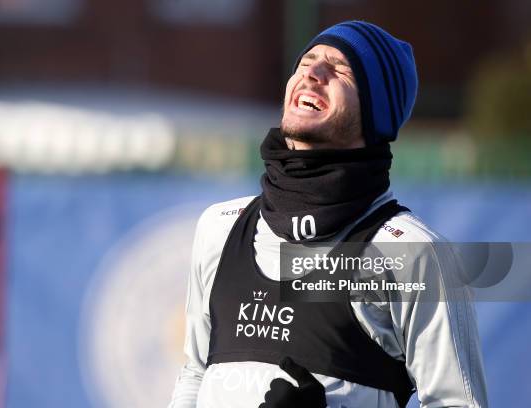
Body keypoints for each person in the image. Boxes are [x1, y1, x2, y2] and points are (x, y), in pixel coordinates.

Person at [168, 20, 488, 408]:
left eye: (339, 69)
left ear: (375, 112)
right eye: (306, 62)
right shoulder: (220, 227)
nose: (312, 73)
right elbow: (196, 372)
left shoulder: (414, 252)